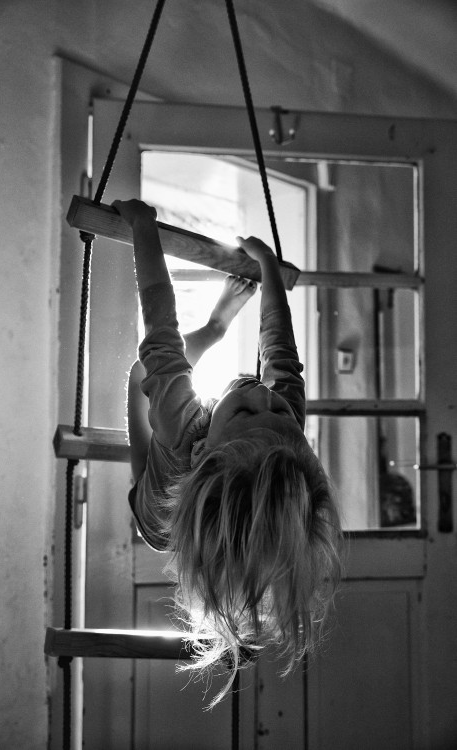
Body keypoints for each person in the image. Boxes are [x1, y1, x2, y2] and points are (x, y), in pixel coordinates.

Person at [113, 198, 342, 706]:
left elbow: (160, 332)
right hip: (209, 490)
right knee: (165, 379)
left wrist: (143, 225)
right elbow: (281, 351)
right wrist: (268, 266)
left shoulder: (182, 433)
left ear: (209, 452)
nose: (260, 392)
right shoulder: (283, 429)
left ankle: (214, 328)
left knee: (145, 374)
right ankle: (216, 327)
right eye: (276, 407)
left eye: (245, 410)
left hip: (159, 515)